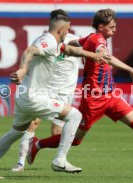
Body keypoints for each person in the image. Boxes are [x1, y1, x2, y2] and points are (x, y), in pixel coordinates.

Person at [27, 8, 133, 175]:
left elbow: (75, 44)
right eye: (111, 27)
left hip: (112, 96)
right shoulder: (98, 40)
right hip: (93, 100)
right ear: (100, 27)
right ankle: (37, 144)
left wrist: (65, 49)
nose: (114, 30)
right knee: (76, 140)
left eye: (115, 26)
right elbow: (104, 56)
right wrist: (130, 68)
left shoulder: (91, 38)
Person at [0, 9, 109, 179]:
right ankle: (60, 160)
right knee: (75, 116)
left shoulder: (53, 42)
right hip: (34, 97)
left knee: (16, 132)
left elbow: (70, 50)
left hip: (25, 96)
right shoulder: (48, 41)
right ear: (61, 30)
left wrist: (92, 55)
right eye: (67, 30)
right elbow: (29, 51)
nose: (68, 33)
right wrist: (23, 69)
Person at [11, 33, 82, 172]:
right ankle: (20, 162)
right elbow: (31, 56)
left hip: (65, 91)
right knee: (33, 122)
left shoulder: (75, 40)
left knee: (56, 131)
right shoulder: (47, 41)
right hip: (47, 88)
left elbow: (86, 49)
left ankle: (40, 148)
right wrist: (24, 70)